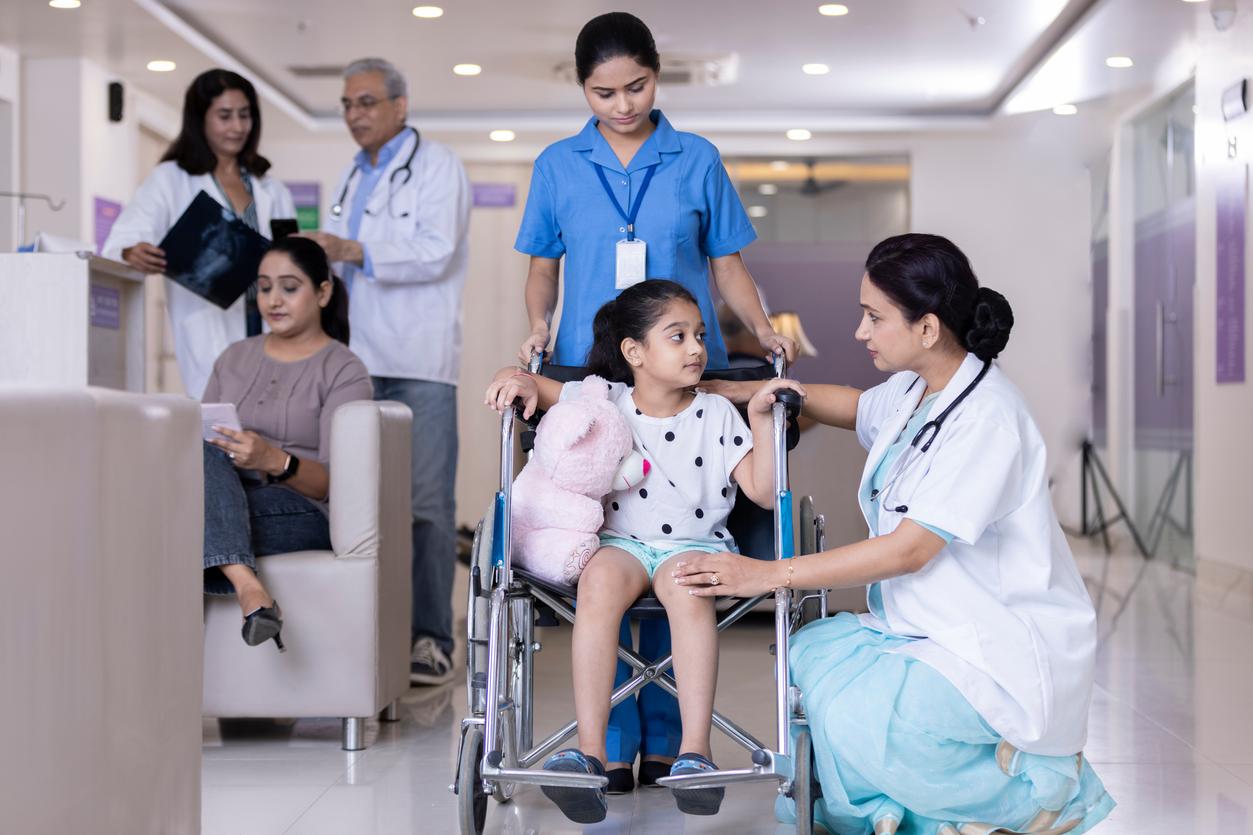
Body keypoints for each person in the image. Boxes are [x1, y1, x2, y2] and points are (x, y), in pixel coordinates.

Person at [682, 234, 1116, 834]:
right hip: (927, 623)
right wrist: (741, 391)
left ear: (928, 328)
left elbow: (911, 549)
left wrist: (765, 574)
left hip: (996, 642)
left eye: (874, 317)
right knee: (813, 661)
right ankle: (921, 808)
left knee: (861, 712)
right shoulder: (921, 385)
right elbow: (857, 406)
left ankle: (1019, 794)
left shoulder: (987, 415)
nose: (861, 332)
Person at [512, 11, 797, 792]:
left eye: (635, 86)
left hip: (676, 367)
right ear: (581, 88)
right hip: (587, 365)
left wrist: (762, 329)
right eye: (602, 92)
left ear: (656, 75)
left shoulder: (695, 158)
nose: (621, 104)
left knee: (674, 536)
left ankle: (671, 742)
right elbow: (541, 264)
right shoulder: (557, 164)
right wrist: (537, 320)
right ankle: (607, 745)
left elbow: (727, 263)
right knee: (611, 540)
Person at [485, 280, 803, 823]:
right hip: (621, 543)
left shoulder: (718, 415)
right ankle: (590, 755)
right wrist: (512, 380)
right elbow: (533, 385)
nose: (697, 348)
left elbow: (760, 489)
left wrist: (760, 421)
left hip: (694, 546)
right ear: (633, 352)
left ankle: (694, 754)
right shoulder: (602, 400)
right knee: (599, 582)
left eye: (699, 335)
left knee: (688, 586)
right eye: (677, 337)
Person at [301, 57, 471, 686]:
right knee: (358, 501)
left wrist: (351, 249)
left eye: (367, 102)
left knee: (426, 504)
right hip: (357, 362)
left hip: (421, 361)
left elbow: (435, 251)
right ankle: (370, 633)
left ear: (400, 106)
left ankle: (429, 638)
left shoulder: (438, 165)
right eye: (347, 105)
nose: (355, 115)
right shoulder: (351, 174)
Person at [202, 237, 373, 651]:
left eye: (289, 287)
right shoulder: (233, 357)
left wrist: (273, 459)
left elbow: (333, 486)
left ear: (323, 291)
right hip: (228, 493)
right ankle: (250, 590)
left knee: (175, 519)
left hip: (302, 508)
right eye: (264, 287)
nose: (273, 300)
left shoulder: (344, 371)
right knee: (196, 456)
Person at [103, 69, 296, 399]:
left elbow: (293, 257)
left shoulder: (269, 187)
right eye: (224, 116)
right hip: (210, 330)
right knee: (222, 433)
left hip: (270, 326)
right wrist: (132, 252)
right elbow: (120, 243)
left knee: (272, 428)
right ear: (199, 119)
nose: (237, 127)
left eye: (244, 115)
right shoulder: (171, 179)